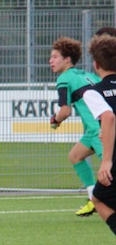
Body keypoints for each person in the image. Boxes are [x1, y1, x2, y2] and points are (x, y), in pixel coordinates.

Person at [48, 36, 102, 216]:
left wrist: (54, 121)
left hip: (99, 130)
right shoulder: (88, 75)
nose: (51, 60)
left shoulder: (64, 79)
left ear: (67, 59)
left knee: (110, 168)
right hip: (96, 128)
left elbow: (65, 111)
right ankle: (94, 198)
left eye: (55, 56)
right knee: (76, 155)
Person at [80, 33, 116, 235]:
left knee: (98, 198)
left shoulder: (94, 92)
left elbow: (109, 117)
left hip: (115, 160)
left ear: (96, 65)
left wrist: (106, 161)